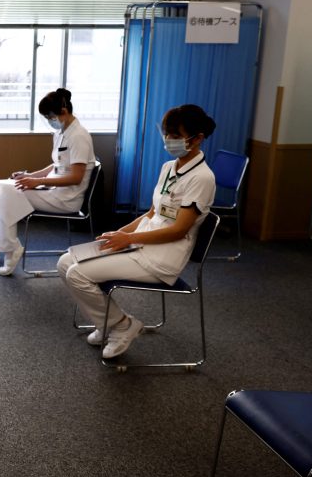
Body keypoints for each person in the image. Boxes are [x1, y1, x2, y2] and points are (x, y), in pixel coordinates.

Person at [57, 104, 217, 359]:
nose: (169, 140)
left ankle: (122, 326)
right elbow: (152, 214)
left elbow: (178, 230)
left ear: (197, 138)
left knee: (78, 275)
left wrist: (128, 238)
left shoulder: (202, 178)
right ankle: (107, 322)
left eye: (176, 135)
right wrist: (118, 233)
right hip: (140, 243)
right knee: (65, 262)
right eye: (167, 133)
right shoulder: (168, 167)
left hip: (161, 258)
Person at [0, 88, 95, 276]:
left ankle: (11, 250)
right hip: (52, 189)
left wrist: (37, 182)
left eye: (50, 117)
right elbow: (56, 166)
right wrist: (30, 176)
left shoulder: (79, 136)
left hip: (67, 198)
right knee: (1, 188)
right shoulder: (61, 132)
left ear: (64, 112)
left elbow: (76, 177)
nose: (50, 121)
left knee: (7, 195)